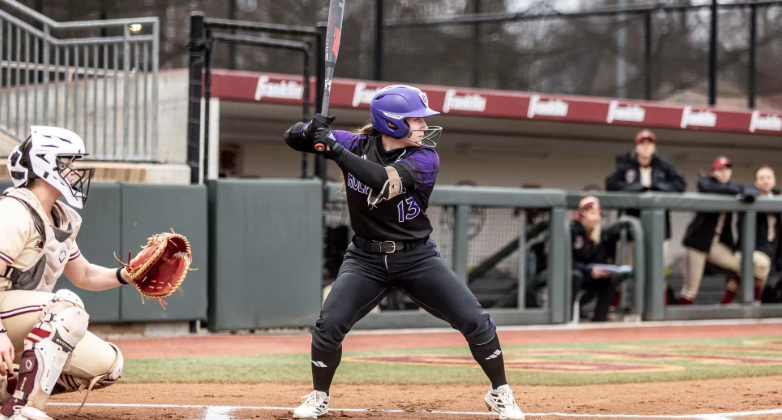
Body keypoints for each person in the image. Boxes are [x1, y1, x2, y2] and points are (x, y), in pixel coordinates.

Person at [282, 85, 525, 420]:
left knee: (474, 320)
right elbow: (291, 138)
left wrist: (334, 147)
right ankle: (319, 397)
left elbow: (383, 181)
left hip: (417, 258)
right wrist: (313, 130)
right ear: (393, 123)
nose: (424, 127)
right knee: (329, 324)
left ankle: (500, 394)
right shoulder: (357, 144)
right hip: (365, 259)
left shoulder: (425, 158)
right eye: (417, 120)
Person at [0, 126, 126, 420]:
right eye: (67, 161)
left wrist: (126, 275)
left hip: (20, 320)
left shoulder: (58, 215)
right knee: (68, 308)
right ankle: (22, 409)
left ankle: (10, 390)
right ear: (46, 163)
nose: (74, 170)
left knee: (108, 366)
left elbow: (84, 275)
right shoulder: (13, 211)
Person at [605, 130, 685, 302]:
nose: (646, 147)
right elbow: (611, 184)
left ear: (654, 147)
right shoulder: (625, 164)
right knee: (625, 268)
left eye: (649, 144)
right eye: (643, 143)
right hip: (630, 226)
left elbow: (680, 184)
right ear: (637, 146)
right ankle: (615, 306)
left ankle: (658, 307)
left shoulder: (663, 165)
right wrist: (638, 188)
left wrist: (657, 187)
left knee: (657, 269)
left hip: (659, 227)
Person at [679, 156, 761, 304]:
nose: (724, 173)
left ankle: (724, 303)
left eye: (727, 169)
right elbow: (708, 187)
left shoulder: (733, 187)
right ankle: (678, 320)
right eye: (720, 170)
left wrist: (745, 191)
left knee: (742, 265)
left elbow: (752, 189)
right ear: (713, 172)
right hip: (696, 244)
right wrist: (740, 191)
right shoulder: (706, 182)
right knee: (691, 288)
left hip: (715, 243)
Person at [720, 165, 780, 304]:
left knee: (752, 272)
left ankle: (729, 303)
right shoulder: (750, 195)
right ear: (756, 181)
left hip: (772, 247)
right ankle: (754, 301)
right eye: (761, 178)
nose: (765, 181)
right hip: (752, 246)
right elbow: (749, 194)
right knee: (758, 265)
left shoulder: (777, 197)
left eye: (769, 177)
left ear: (774, 180)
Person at [570, 196, 620, 322]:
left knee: (610, 280)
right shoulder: (571, 229)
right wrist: (588, 270)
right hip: (571, 270)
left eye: (598, 214)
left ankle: (599, 319)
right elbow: (568, 260)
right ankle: (567, 316)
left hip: (588, 272)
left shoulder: (598, 233)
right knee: (575, 276)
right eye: (592, 213)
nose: (596, 218)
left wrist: (603, 269)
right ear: (582, 214)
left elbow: (599, 258)